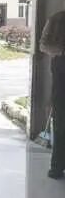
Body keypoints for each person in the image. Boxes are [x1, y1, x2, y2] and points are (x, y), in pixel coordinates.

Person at [40, 11, 65, 179]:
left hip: (60, 68)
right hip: (61, 70)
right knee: (61, 121)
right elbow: (44, 45)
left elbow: (44, 45)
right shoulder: (57, 19)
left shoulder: (56, 18)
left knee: (61, 122)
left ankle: (57, 167)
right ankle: (57, 166)